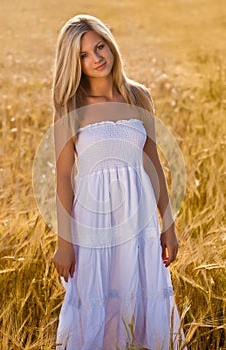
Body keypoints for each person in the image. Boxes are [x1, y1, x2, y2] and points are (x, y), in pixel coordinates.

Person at [52, 14, 185, 350]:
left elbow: (153, 163)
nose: (96, 58)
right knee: (97, 302)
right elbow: (64, 176)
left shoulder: (139, 97)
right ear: (74, 62)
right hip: (92, 222)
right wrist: (64, 242)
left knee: (141, 298)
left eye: (99, 46)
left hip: (139, 221)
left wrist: (167, 225)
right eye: (84, 55)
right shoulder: (71, 105)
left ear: (110, 44)